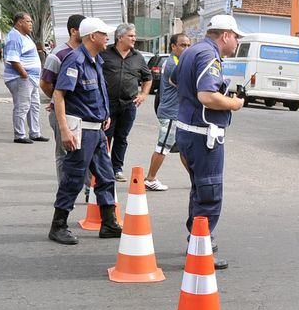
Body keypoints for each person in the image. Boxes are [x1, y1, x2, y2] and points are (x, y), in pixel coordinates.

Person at [172, 15, 245, 270]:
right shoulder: (208, 55)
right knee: (209, 193)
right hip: (203, 136)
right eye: (236, 36)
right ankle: (202, 251)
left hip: (188, 131)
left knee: (199, 190)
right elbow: (206, 95)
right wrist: (234, 103)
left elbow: (174, 80)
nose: (237, 42)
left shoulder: (192, 51)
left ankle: (197, 241)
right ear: (225, 35)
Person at [49, 17, 122, 245]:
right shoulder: (75, 60)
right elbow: (59, 95)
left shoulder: (95, 60)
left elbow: (98, 92)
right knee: (72, 178)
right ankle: (58, 225)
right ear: (92, 36)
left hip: (97, 130)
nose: (108, 37)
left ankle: (109, 223)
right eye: (104, 33)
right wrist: (64, 130)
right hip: (81, 130)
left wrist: (105, 114)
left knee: (106, 176)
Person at [100, 23, 152, 182]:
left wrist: (143, 94)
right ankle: (102, 167)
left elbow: (147, 78)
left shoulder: (138, 57)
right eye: (131, 36)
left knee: (122, 138)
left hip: (129, 105)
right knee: (105, 137)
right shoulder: (104, 53)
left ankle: (117, 169)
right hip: (107, 104)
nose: (134, 39)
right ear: (120, 37)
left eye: (134, 35)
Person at [39, 14, 84, 185]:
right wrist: (59, 101)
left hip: (83, 113)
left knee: (86, 152)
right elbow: (45, 83)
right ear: (73, 31)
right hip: (63, 114)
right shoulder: (57, 55)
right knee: (64, 153)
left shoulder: (87, 53)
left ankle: (88, 190)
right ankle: (64, 191)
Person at [144, 33, 191, 191]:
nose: (186, 48)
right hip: (171, 113)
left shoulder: (177, 61)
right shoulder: (173, 64)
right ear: (173, 47)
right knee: (162, 147)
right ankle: (150, 178)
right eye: (183, 45)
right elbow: (186, 86)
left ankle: (196, 180)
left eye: (188, 45)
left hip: (177, 113)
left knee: (183, 148)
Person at [4, 12, 48, 144]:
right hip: (21, 78)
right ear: (19, 22)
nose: (31, 24)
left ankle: (35, 133)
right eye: (28, 21)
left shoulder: (25, 36)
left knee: (34, 105)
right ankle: (20, 135)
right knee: (22, 106)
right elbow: (13, 59)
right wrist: (24, 74)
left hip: (30, 79)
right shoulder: (14, 37)